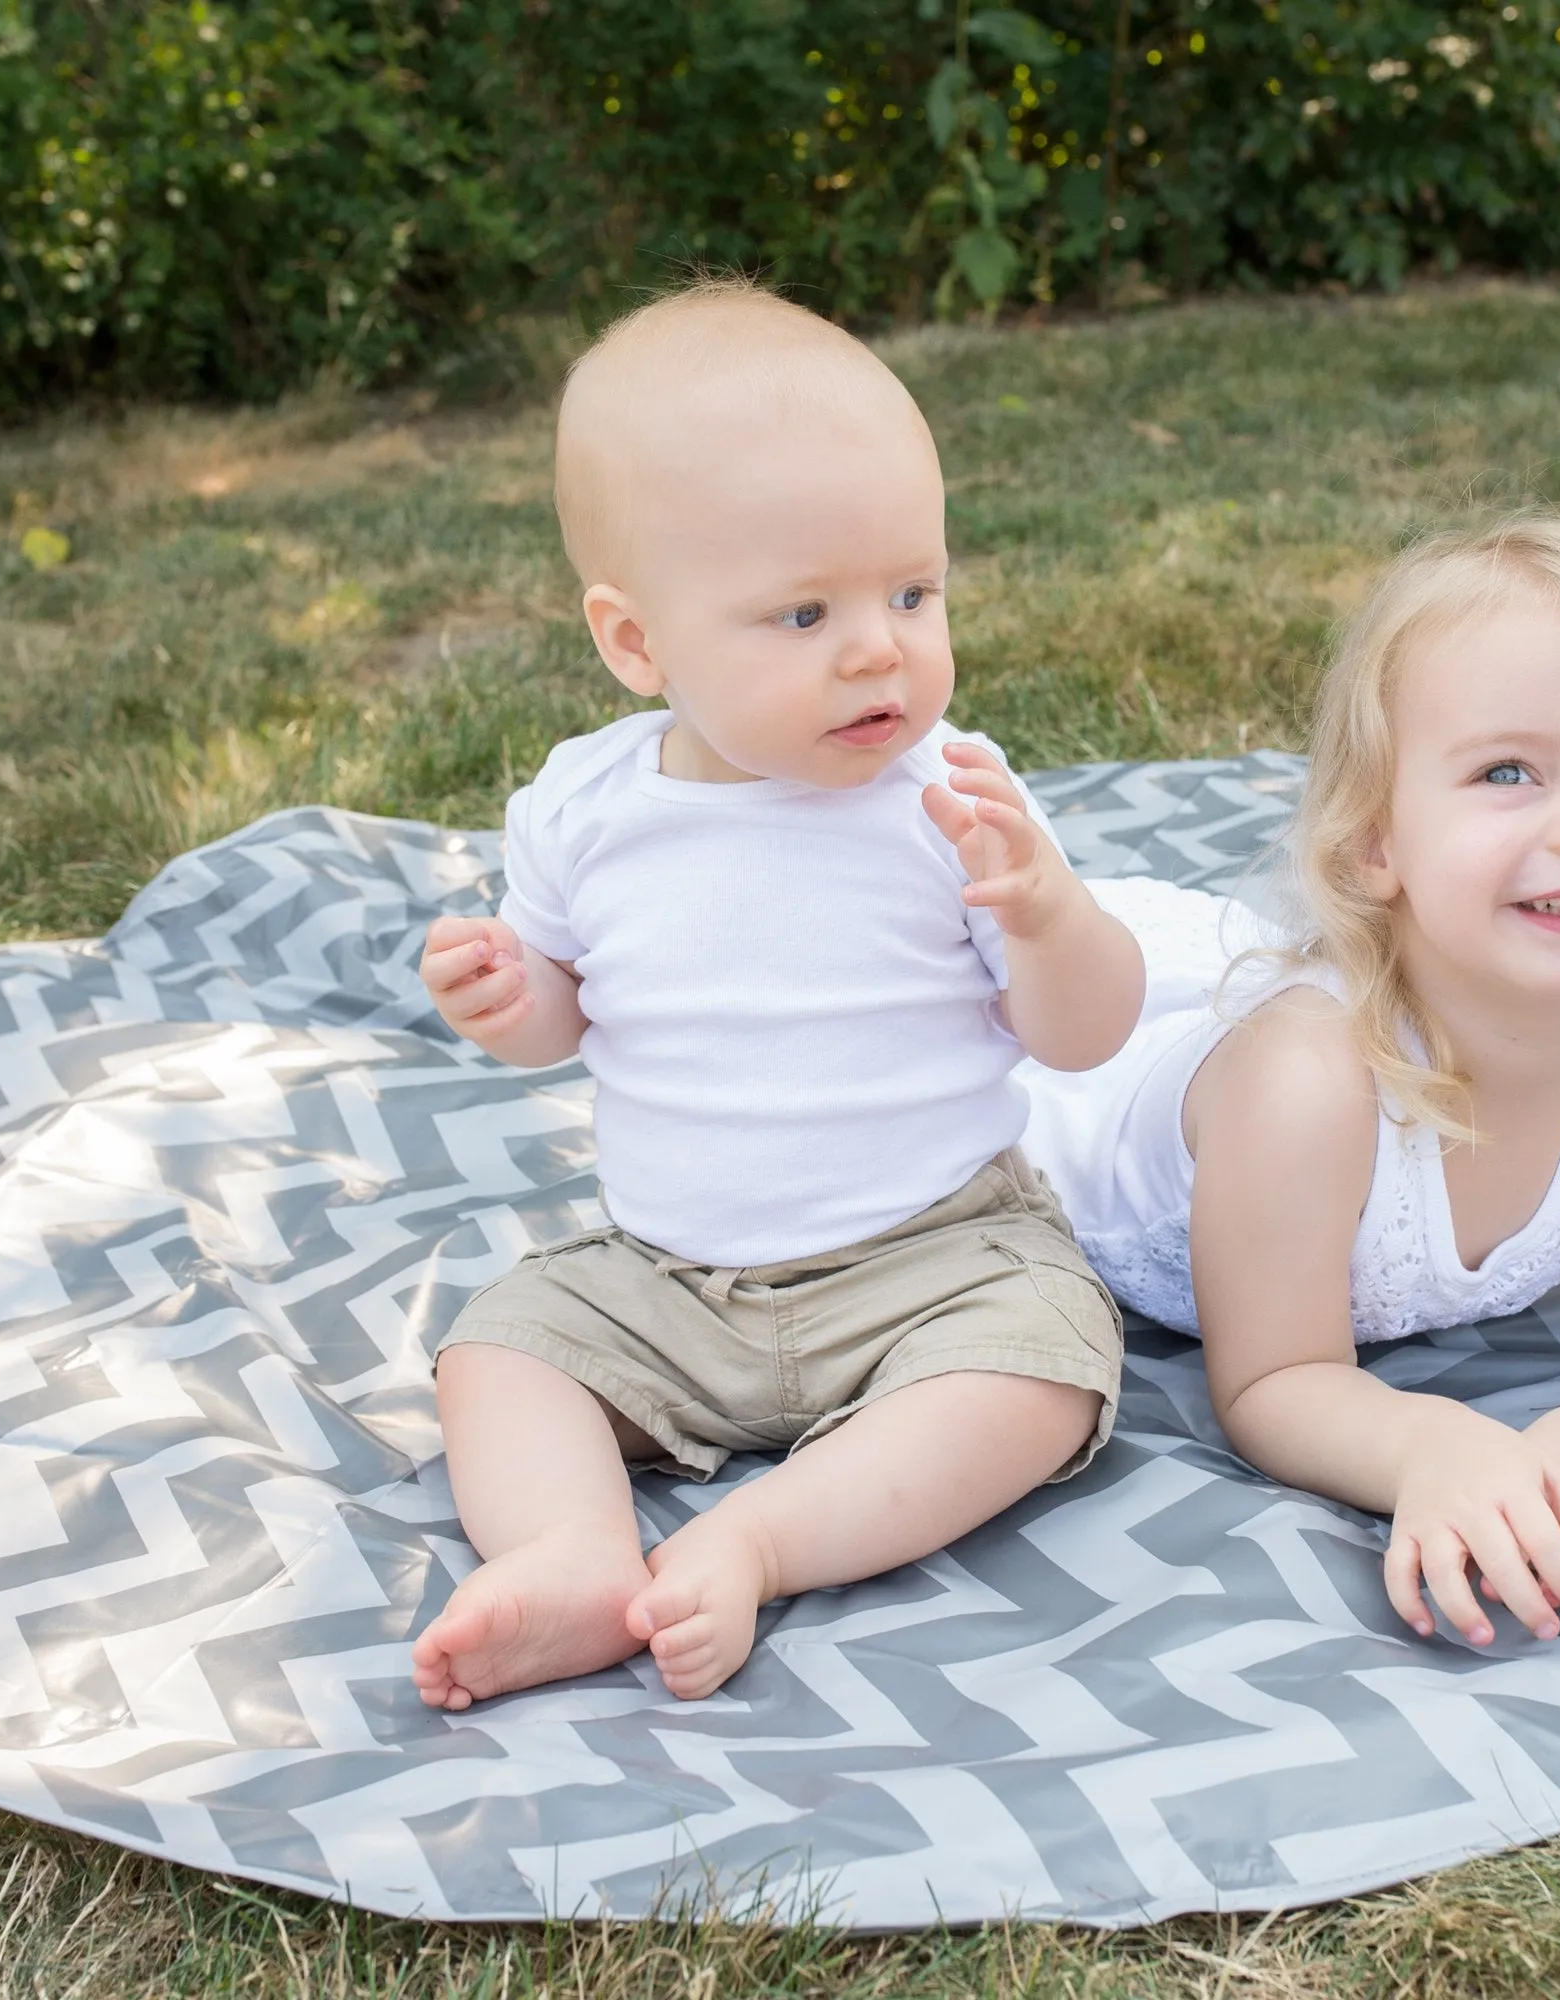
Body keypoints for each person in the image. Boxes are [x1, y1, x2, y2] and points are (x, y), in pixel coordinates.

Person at [408, 281, 1145, 1707]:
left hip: (936, 1258)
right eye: (805, 611)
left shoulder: (951, 797)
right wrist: (513, 1001)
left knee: (1044, 1367)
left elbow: (1083, 1031)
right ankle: (573, 1553)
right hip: (672, 1280)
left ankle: (760, 1540)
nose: (878, 647)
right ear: (638, 645)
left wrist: (1051, 916)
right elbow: (569, 1018)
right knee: (497, 1353)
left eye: (912, 594)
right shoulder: (585, 810)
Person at [1023, 519, 1560, 1649]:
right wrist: (1433, 1446)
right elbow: (1276, 1375)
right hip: (1063, 1067)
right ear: (1376, 840)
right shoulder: (1308, 1082)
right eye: (1505, 771)